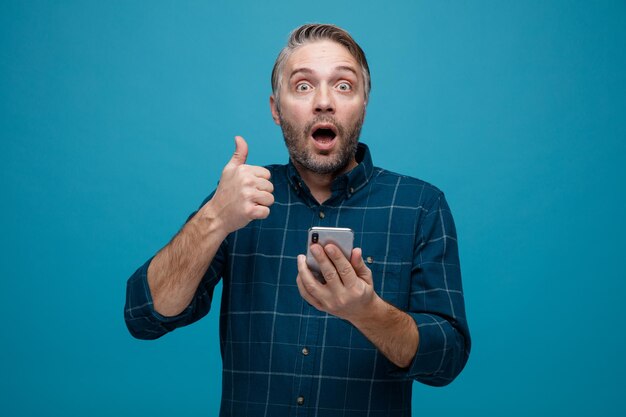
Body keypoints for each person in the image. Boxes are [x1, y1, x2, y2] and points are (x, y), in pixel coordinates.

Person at [124, 23, 470, 416]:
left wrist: (367, 312)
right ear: (276, 108)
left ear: (364, 102)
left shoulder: (420, 206)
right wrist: (215, 218)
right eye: (304, 86)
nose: (324, 102)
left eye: (343, 85)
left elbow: (448, 359)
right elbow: (145, 316)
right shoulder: (238, 199)